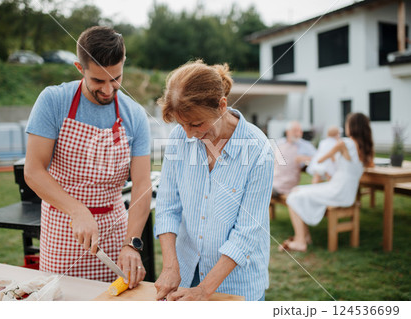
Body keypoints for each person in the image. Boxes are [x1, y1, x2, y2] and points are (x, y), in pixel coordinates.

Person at [24, 26, 152, 287]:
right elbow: (33, 170)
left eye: (115, 79)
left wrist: (132, 243)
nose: (108, 90)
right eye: (98, 81)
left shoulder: (135, 115)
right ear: (79, 68)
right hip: (64, 227)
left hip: (114, 230)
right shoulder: (54, 101)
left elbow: (142, 184)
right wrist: (76, 209)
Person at [154, 60, 274, 301]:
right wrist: (170, 266)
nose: (189, 134)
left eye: (197, 124)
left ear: (222, 106)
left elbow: (246, 233)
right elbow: (168, 207)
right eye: (182, 124)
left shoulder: (258, 149)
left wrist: (204, 290)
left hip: (237, 284)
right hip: (188, 273)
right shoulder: (180, 137)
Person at [280, 113, 374, 252]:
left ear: (351, 127)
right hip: (347, 193)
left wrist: (333, 149)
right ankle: (304, 237)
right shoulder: (366, 148)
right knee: (297, 191)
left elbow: (320, 160)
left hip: (337, 190)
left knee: (294, 195)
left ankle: (300, 241)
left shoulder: (344, 143)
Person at [271, 121, 316, 197]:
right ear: (287, 132)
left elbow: (318, 158)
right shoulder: (279, 143)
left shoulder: (305, 146)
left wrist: (305, 158)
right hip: (274, 182)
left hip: (289, 185)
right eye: (295, 131)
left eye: (300, 131)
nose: (298, 134)